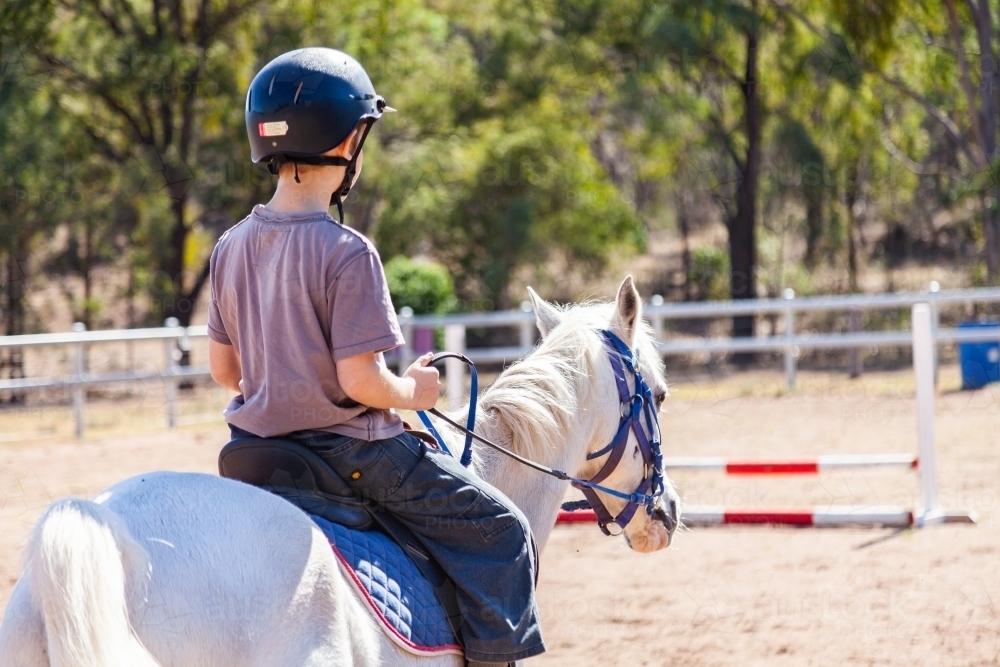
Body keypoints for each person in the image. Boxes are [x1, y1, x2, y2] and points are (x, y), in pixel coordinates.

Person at [206, 47, 544, 667]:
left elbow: (225, 373)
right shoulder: (348, 251)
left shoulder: (229, 246)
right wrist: (414, 393)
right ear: (346, 140)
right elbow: (360, 382)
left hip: (253, 453)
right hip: (351, 453)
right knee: (502, 531)